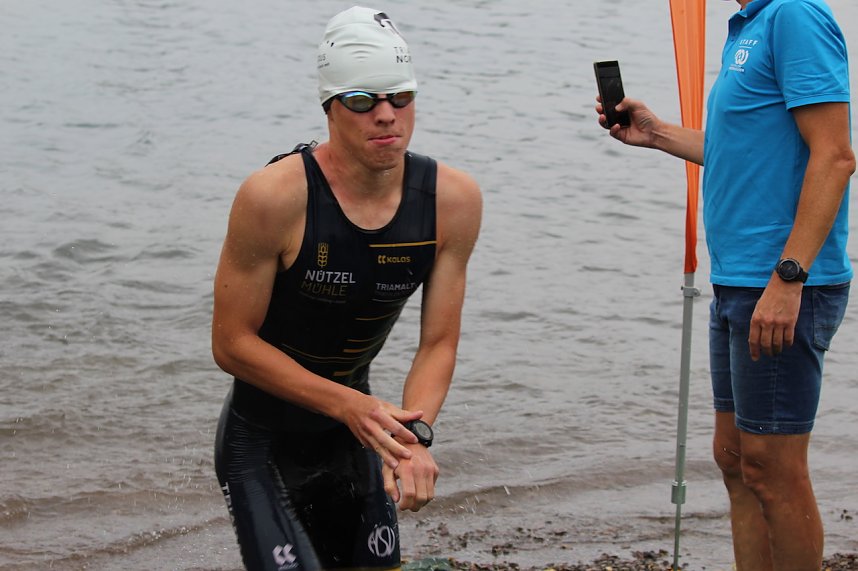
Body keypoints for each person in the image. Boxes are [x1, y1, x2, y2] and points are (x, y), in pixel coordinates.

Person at [210, 6, 482, 570]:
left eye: (400, 98)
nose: (386, 116)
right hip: (260, 443)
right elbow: (231, 343)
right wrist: (349, 405)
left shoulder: (452, 201)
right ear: (330, 107)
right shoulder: (274, 197)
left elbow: (438, 344)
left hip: (359, 437)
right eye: (363, 101)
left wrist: (412, 439)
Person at [596, 0, 854, 569]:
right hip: (737, 280)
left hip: (782, 283)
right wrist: (657, 133)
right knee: (736, 459)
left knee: (772, 467)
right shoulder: (750, 24)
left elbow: (834, 156)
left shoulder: (794, 15)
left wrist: (789, 277)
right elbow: (742, 153)